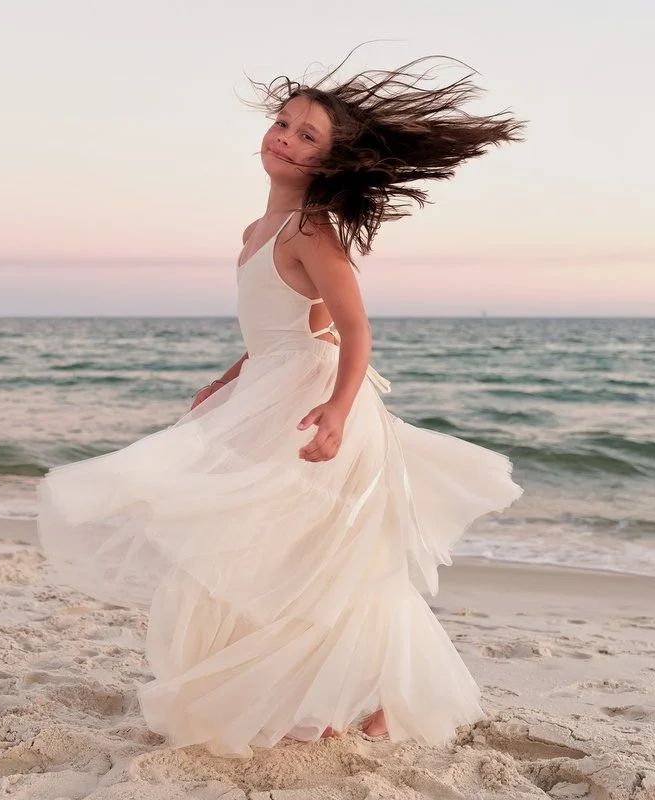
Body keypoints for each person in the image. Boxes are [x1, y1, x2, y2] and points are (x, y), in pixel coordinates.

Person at [36, 55, 526, 758]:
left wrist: (335, 409)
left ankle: (374, 695)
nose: (284, 139)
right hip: (270, 389)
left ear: (329, 161)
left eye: (306, 137)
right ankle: (350, 694)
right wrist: (231, 373)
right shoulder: (256, 232)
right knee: (279, 554)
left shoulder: (311, 230)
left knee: (321, 559)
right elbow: (289, 323)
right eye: (282, 123)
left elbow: (354, 329)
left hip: (315, 403)